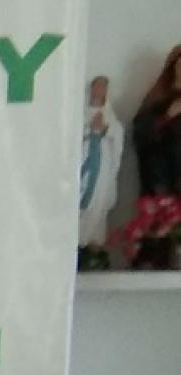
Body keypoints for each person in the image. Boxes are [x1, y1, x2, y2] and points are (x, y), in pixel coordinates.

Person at [79, 76, 123, 252]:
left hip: (102, 162)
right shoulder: (82, 112)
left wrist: (106, 130)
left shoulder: (109, 114)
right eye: (96, 87)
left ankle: (93, 244)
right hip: (84, 160)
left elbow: (117, 134)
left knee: (99, 199)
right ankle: (78, 241)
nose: (99, 91)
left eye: (102, 88)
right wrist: (89, 130)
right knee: (81, 198)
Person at [132, 45, 181, 196]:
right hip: (164, 183)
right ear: (174, 67)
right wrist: (167, 116)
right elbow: (140, 134)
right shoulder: (158, 98)